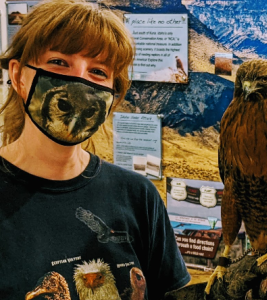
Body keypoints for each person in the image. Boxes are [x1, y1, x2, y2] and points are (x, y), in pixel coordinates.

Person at [0, 1, 191, 298]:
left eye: (98, 71)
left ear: (112, 96)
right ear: (18, 76)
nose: (79, 80)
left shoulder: (137, 196)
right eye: (59, 62)